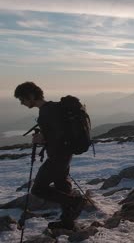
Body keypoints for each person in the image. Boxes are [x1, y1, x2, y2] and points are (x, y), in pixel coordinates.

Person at [14, 81, 85, 230]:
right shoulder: (53, 108)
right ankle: (67, 222)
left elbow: (59, 135)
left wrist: (42, 138)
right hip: (64, 155)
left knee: (38, 189)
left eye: (22, 99)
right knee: (62, 186)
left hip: (58, 157)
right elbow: (59, 132)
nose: (22, 103)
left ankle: (75, 203)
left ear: (32, 96)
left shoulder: (48, 111)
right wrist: (45, 136)